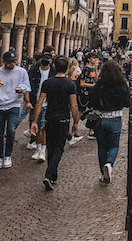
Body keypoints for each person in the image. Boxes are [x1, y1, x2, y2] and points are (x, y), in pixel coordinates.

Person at [31, 56, 78, 191]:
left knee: (51, 146)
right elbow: (74, 105)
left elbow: (40, 102)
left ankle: (53, 176)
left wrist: (35, 120)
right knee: (59, 148)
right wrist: (75, 122)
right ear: (67, 68)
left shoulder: (48, 83)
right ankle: (49, 174)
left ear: (55, 67)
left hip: (49, 117)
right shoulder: (70, 84)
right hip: (63, 119)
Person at [89, 60, 131, 184]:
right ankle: (109, 164)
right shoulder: (122, 84)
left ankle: (103, 174)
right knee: (114, 145)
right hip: (115, 118)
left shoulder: (100, 84)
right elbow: (127, 103)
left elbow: (92, 100)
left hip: (100, 118)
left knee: (102, 146)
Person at [0, 51, 30, 169]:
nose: (11, 64)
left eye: (13, 62)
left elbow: (27, 86)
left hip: (14, 104)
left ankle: (8, 156)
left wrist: (21, 89)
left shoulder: (22, 72)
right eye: (9, 62)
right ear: (4, 62)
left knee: (11, 130)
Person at [28, 53, 53, 162]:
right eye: (44, 59)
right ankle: (38, 148)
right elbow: (28, 86)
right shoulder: (33, 72)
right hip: (36, 103)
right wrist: (28, 100)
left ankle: (43, 149)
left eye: (47, 59)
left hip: (48, 104)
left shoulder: (53, 73)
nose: (45, 61)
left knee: (43, 127)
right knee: (36, 127)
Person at [79, 53, 99, 138]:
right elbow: (82, 83)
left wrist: (96, 69)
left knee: (92, 110)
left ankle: (91, 130)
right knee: (80, 112)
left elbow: (96, 79)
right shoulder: (85, 70)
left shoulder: (93, 69)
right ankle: (74, 129)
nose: (95, 60)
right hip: (85, 93)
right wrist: (93, 86)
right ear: (89, 59)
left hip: (92, 93)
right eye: (94, 58)